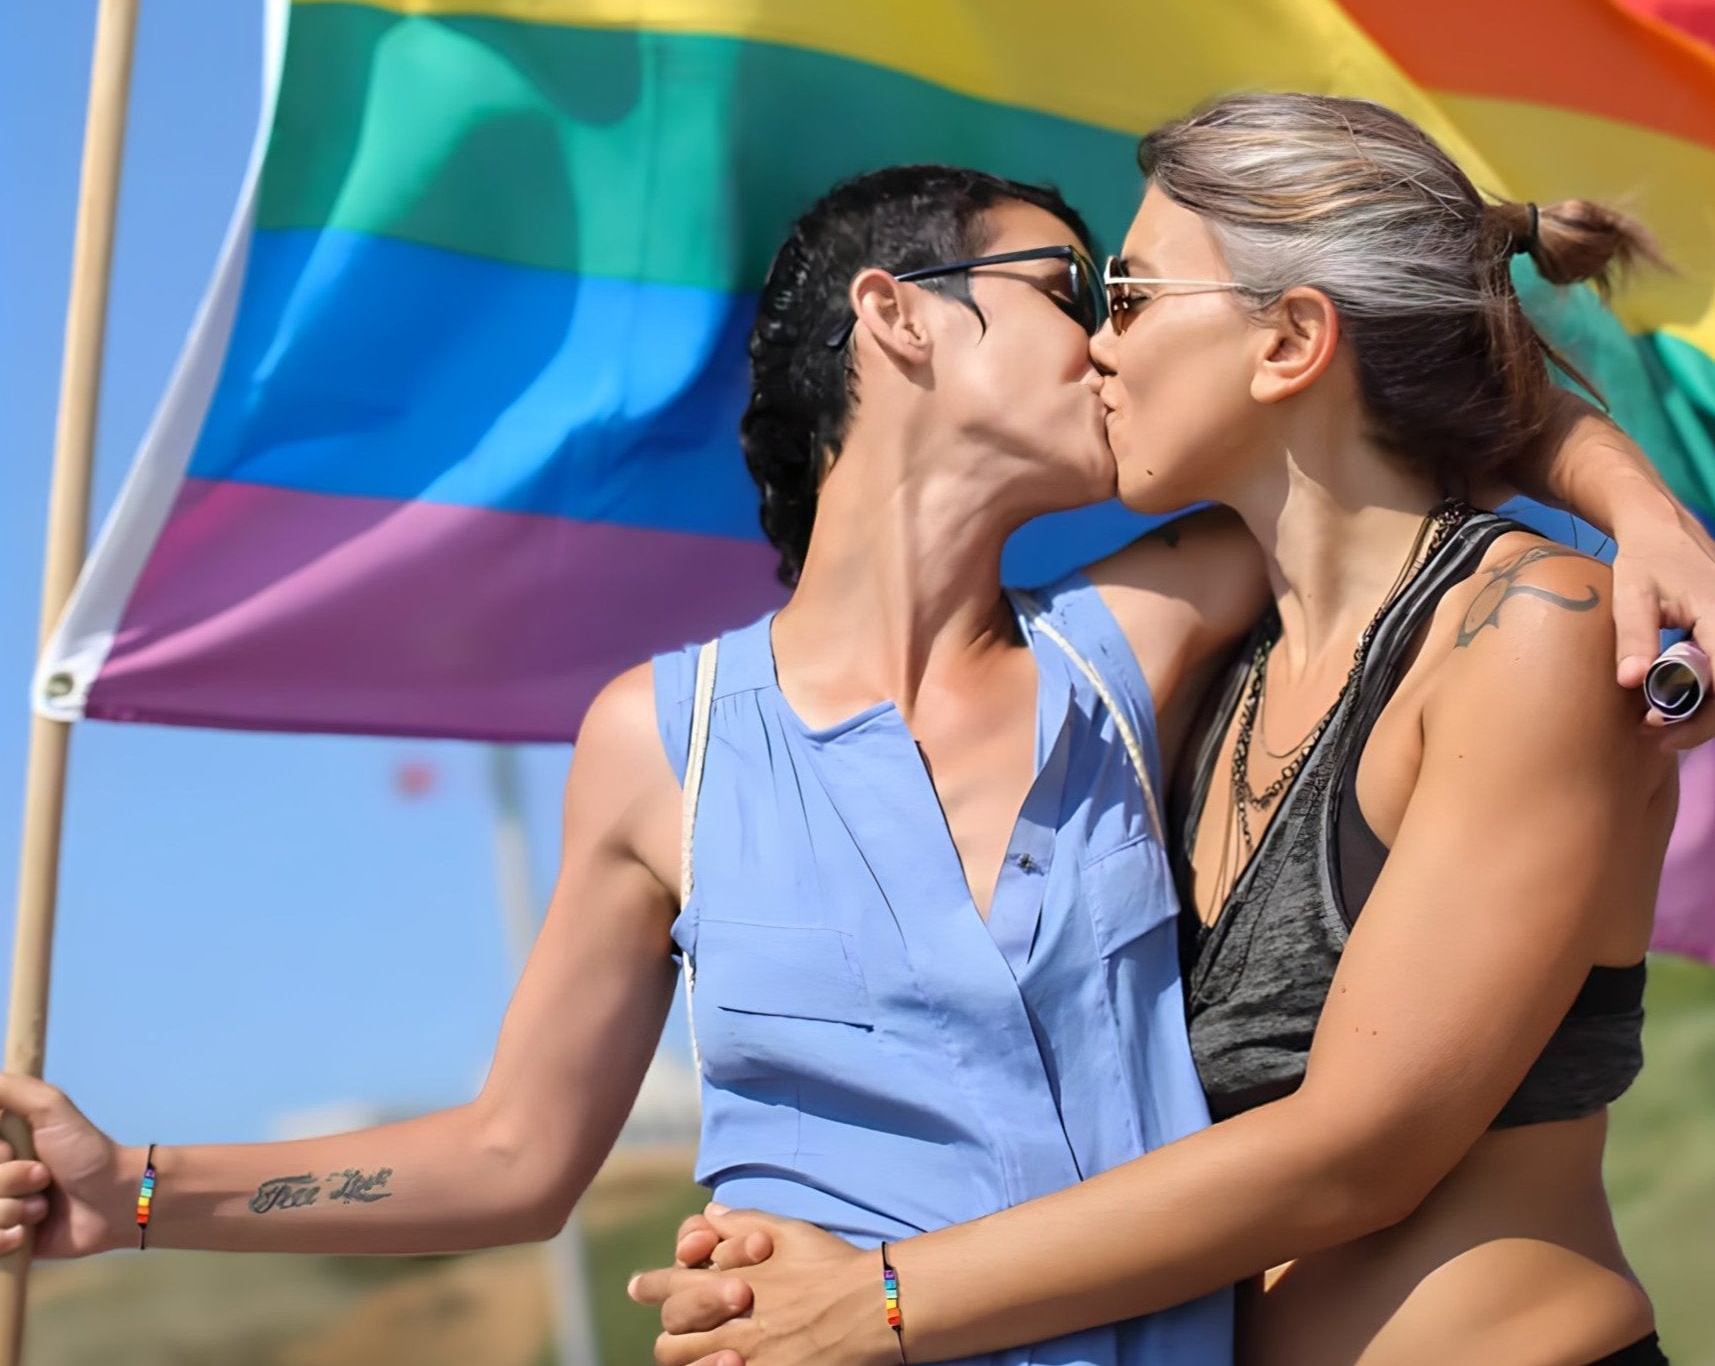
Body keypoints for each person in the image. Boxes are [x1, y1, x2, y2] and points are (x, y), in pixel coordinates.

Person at [0, 155, 1701, 1366]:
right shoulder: (655, 742)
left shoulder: (1152, 630)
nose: (1111, 335)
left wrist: (1636, 503)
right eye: (1067, 291)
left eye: (1129, 294)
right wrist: (141, 1188)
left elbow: (1386, 381)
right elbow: (516, 1158)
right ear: (898, 319)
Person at [632, 98, 1694, 1366]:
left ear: (1288, 340)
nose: (1094, 348)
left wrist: (879, 1299)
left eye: (1127, 295)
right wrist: (770, 1271)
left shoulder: (1525, 629)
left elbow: (1360, 1150)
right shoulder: (1213, 674)